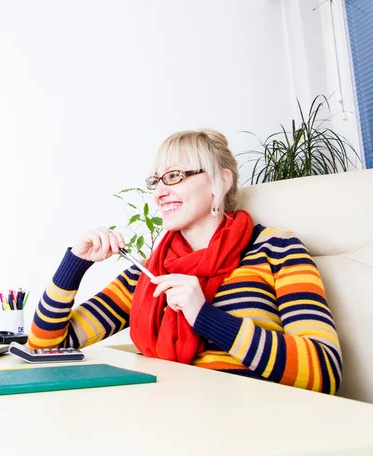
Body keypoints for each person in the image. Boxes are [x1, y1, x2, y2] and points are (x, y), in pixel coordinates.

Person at [28, 129, 342, 395]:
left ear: (220, 180)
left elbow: (324, 370)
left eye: (175, 176)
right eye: (156, 181)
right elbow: (46, 348)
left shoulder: (276, 248)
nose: (159, 193)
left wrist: (204, 316)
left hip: (250, 414)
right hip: (165, 409)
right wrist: (75, 265)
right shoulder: (151, 272)